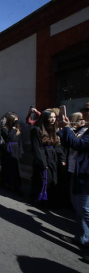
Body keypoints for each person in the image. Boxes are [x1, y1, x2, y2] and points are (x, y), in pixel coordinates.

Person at [58, 102, 89, 263]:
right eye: (83, 108)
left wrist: (68, 129)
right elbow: (68, 142)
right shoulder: (83, 129)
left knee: (85, 208)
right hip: (75, 171)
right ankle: (83, 237)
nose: (84, 112)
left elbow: (79, 144)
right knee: (77, 207)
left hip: (85, 175)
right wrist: (65, 128)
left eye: (87, 109)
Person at [30, 110, 65, 203]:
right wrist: (43, 163)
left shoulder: (53, 129)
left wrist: (62, 158)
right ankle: (42, 200)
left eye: (54, 117)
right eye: (51, 117)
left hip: (53, 156)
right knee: (45, 179)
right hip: (43, 156)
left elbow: (57, 146)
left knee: (54, 179)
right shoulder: (36, 130)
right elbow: (37, 148)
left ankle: (51, 200)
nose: (53, 119)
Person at [0, 112, 24, 194]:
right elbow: (8, 137)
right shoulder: (4, 129)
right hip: (8, 150)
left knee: (16, 169)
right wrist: (13, 127)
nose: (16, 122)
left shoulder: (16, 129)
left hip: (16, 149)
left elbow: (20, 141)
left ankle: (16, 185)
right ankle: (6, 183)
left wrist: (21, 151)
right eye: (15, 121)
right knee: (8, 167)